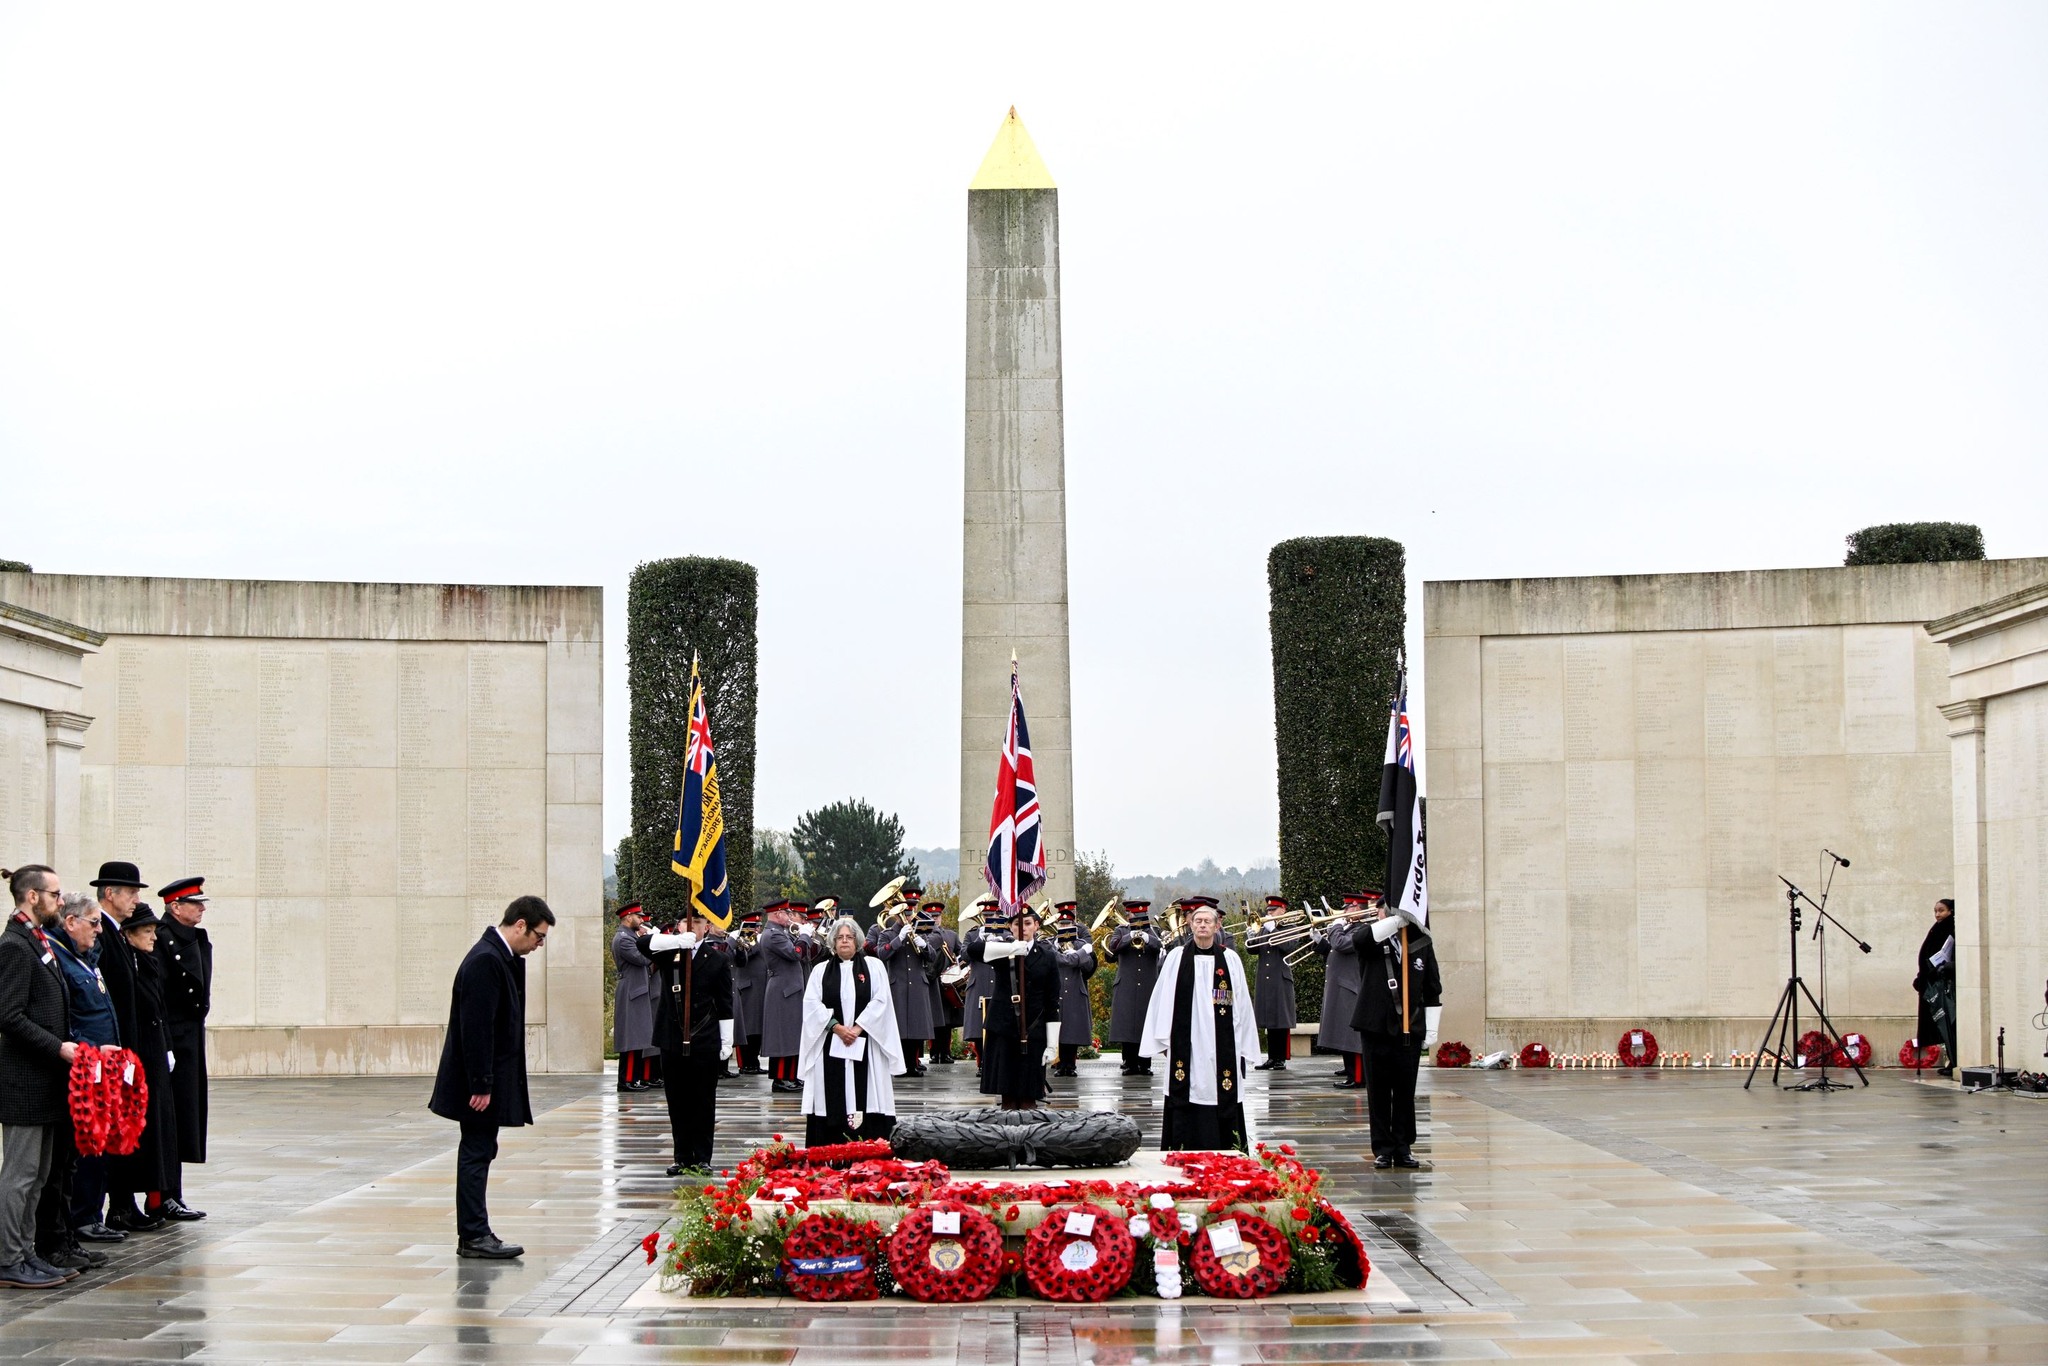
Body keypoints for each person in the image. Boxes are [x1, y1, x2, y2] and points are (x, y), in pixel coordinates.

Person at [427, 895, 554, 1259]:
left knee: (481, 1150)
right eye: (538, 936)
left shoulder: (498, 957)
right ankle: (474, 1236)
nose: (539, 944)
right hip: (478, 1084)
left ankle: (475, 1233)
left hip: (485, 1079)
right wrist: (481, 1084)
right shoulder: (486, 960)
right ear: (520, 925)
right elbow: (476, 1028)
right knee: (476, 1152)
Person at [0, 865, 81, 1290]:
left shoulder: (37, 940)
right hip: (24, 1084)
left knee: (38, 1176)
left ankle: (25, 1251)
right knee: (20, 1176)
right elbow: (8, 1016)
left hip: (45, 1081)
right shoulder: (15, 946)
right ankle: (7, 1259)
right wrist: (58, 1047)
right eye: (54, 894)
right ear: (32, 896)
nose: (60, 901)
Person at [1139, 903, 1263, 1152]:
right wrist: (1162, 1036)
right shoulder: (1177, 958)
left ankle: (1227, 1148)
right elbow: (1162, 998)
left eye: (1208, 921)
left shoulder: (1230, 959)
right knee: (1186, 1085)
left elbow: (1242, 1002)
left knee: (1221, 1087)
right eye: (1198, 921)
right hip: (1187, 1039)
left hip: (1221, 1040)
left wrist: (1244, 1042)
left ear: (1217, 926)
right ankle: (1182, 1146)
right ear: (1190, 925)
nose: (1203, 925)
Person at [42, 895, 116, 1269]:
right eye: (94, 922)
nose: (99, 930)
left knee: (72, 1161)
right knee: (60, 1165)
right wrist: (90, 1049)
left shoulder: (81, 957)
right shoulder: (57, 957)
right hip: (74, 1070)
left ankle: (67, 1238)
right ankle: (55, 1242)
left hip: (92, 1069)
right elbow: (65, 1020)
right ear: (70, 922)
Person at [1348, 903, 1441, 1170]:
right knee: (1378, 1092)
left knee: (1404, 1091)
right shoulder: (1374, 939)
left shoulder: (1420, 942)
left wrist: (1431, 1027)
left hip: (1409, 1028)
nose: (1388, 914)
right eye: (1385, 911)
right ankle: (1383, 1149)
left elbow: (1432, 987)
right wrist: (1392, 923)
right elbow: (1359, 940)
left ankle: (1403, 1146)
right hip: (1375, 1027)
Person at [86, 861, 152, 1234]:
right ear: (109, 894)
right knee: (108, 1136)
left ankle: (123, 1205)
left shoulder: (116, 933)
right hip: (108, 1053)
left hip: (123, 1052)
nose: (136, 900)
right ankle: (106, 1211)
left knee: (122, 1131)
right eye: (131, 893)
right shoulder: (103, 934)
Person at [799, 916, 904, 1145]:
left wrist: (858, 1028)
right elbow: (812, 1005)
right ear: (833, 942)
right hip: (831, 1044)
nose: (844, 941)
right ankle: (830, 1146)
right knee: (831, 1093)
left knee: (867, 1092)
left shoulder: (874, 967)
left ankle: (871, 1145)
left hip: (866, 1043)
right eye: (840, 938)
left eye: (849, 937)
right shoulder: (820, 971)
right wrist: (836, 1027)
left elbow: (881, 1001)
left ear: (857, 941)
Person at [646, 907, 735, 1176]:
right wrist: (675, 941)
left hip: (704, 1037)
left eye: (697, 921)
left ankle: (703, 1157)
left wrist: (727, 1040)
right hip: (672, 1037)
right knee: (677, 1100)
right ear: (678, 925)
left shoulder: (717, 959)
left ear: (707, 927)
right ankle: (682, 1156)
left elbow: (725, 1002)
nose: (691, 926)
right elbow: (642, 944)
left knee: (703, 1100)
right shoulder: (668, 954)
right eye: (686, 921)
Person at [108, 904, 181, 1225]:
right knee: (132, 1132)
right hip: (138, 1058)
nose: (154, 937)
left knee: (155, 1132)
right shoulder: (128, 964)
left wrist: (167, 1047)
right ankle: (122, 1206)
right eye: (147, 931)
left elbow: (159, 1011)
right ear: (129, 935)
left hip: (154, 1057)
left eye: (154, 931)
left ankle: (150, 1200)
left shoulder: (147, 962)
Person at [154, 878, 210, 1220]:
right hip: (172, 1039)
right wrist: (166, 1045)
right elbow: (158, 995)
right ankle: (163, 1197)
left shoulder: (195, 937)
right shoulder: (162, 938)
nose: (202, 908)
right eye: (195, 902)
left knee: (184, 1116)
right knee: (170, 1119)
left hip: (190, 1038)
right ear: (175, 907)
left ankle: (173, 1193)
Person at [978, 904, 1061, 1110]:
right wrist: (1011, 948)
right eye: (1017, 924)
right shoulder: (1002, 951)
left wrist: (1052, 1045)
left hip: (1033, 1028)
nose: (1022, 928)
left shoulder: (1048, 956)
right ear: (1010, 927)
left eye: (1027, 923)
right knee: (1007, 1097)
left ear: (1036, 926)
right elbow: (973, 951)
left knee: (1028, 1098)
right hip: (1004, 1028)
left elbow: (1052, 1001)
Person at [868, 903, 935, 1076]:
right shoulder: (887, 934)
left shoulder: (920, 932)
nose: (908, 917)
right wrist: (899, 939)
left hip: (917, 984)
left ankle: (912, 1064)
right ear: (896, 915)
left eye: (910, 913)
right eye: (904, 914)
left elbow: (932, 957)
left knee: (916, 1027)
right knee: (898, 1028)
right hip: (897, 984)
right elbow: (882, 954)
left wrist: (924, 946)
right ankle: (899, 1066)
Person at [1313, 894, 1371, 1089]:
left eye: (1348, 908)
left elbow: (1342, 945)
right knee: (1344, 1034)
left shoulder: (1363, 929)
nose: (1344, 912)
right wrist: (1320, 941)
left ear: (1358, 909)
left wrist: (1335, 926)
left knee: (1352, 1037)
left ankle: (1358, 1077)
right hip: (1342, 986)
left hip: (1350, 987)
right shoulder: (1350, 928)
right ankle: (1350, 1071)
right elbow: (1334, 951)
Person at [1106, 901, 1161, 1076]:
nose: (1134, 918)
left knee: (1146, 1024)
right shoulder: (1121, 930)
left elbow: (1161, 947)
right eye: (1132, 915)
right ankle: (1129, 1063)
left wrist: (1147, 938)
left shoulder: (1153, 931)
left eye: (1139, 916)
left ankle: (1145, 1064)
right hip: (1127, 983)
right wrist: (1129, 937)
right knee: (1127, 1024)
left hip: (1147, 983)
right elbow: (1112, 951)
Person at [757, 900, 808, 1093]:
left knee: (791, 1035)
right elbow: (795, 954)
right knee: (782, 1036)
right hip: (783, 991)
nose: (790, 917)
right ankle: (781, 1078)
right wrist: (805, 936)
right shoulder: (774, 934)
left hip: (789, 989)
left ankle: (791, 1075)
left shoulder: (780, 932)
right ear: (778, 914)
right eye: (787, 913)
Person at [610, 902, 660, 1092]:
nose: (641, 920)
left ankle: (634, 1078)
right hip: (632, 991)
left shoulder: (630, 937)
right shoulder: (625, 939)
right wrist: (653, 944)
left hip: (637, 990)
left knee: (638, 1037)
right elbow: (642, 959)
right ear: (628, 917)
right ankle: (628, 1080)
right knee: (632, 1038)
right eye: (638, 917)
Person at [1245, 896, 1297, 1070]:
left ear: (1283, 910)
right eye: (1268, 911)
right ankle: (1272, 1057)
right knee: (1269, 1018)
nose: (1269, 913)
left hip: (1280, 978)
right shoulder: (1264, 928)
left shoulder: (1291, 927)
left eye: (1273, 910)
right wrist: (1251, 938)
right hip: (1265, 978)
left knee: (1280, 1019)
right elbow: (1254, 950)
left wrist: (1273, 929)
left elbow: (1287, 947)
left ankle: (1280, 1058)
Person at [1914, 898, 1958, 1079]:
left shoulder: (1952, 928)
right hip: (1932, 983)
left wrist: (1943, 968)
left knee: (1949, 1024)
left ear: (1951, 911)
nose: (1938, 914)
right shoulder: (1937, 928)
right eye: (1935, 911)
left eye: (1942, 910)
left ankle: (1955, 1061)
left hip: (1945, 985)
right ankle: (1951, 1060)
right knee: (1941, 1024)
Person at [1050, 904, 1096, 1077]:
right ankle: (1060, 1064)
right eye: (1061, 924)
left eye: (1067, 924)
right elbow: (1053, 960)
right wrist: (1076, 955)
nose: (1064, 927)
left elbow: (1089, 967)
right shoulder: (1051, 943)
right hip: (1057, 990)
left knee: (1072, 1029)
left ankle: (1070, 1065)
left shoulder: (1081, 944)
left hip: (1075, 989)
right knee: (1058, 1029)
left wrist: (1076, 952)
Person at [924, 901, 964, 1065]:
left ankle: (946, 1052)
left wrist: (958, 968)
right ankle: (934, 1053)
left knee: (947, 1021)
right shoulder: (923, 935)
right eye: (932, 916)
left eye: (937, 916)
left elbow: (961, 953)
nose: (935, 919)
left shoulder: (951, 935)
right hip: (931, 981)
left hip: (947, 982)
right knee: (934, 1019)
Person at [960, 894, 996, 1070]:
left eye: (991, 915)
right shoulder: (973, 934)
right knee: (977, 1028)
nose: (988, 918)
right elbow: (964, 956)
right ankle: (981, 1063)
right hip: (978, 983)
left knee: (996, 1026)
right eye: (985, 915)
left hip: (997, 983)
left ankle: (995, 1063)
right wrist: (979, 940)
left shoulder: (1005, 933)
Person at [731, 912, 767, 1074]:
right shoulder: (743, 940)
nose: (758, 930)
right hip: (747, 989)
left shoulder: (758, 940)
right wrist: (754, 941)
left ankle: (753, 1062)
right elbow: (745, 955)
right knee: (748, 1029)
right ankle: (746, 1063)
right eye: (754, 927)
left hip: (760, 988)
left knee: (757, 1028)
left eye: (759, 927)